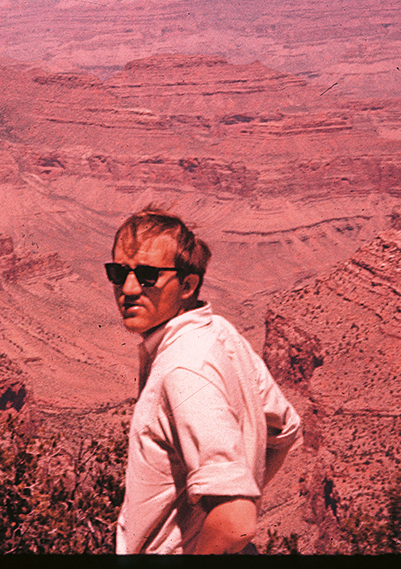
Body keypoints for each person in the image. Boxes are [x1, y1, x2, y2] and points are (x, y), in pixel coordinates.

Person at [107, 206, 301, 554]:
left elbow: (235, 521)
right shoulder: (219, 332)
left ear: (187, 285)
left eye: (148, 275)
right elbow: (285, 428)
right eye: (119, 272)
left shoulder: (184, 370)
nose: (129, 288)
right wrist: (238, 484)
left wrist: (232, 499)